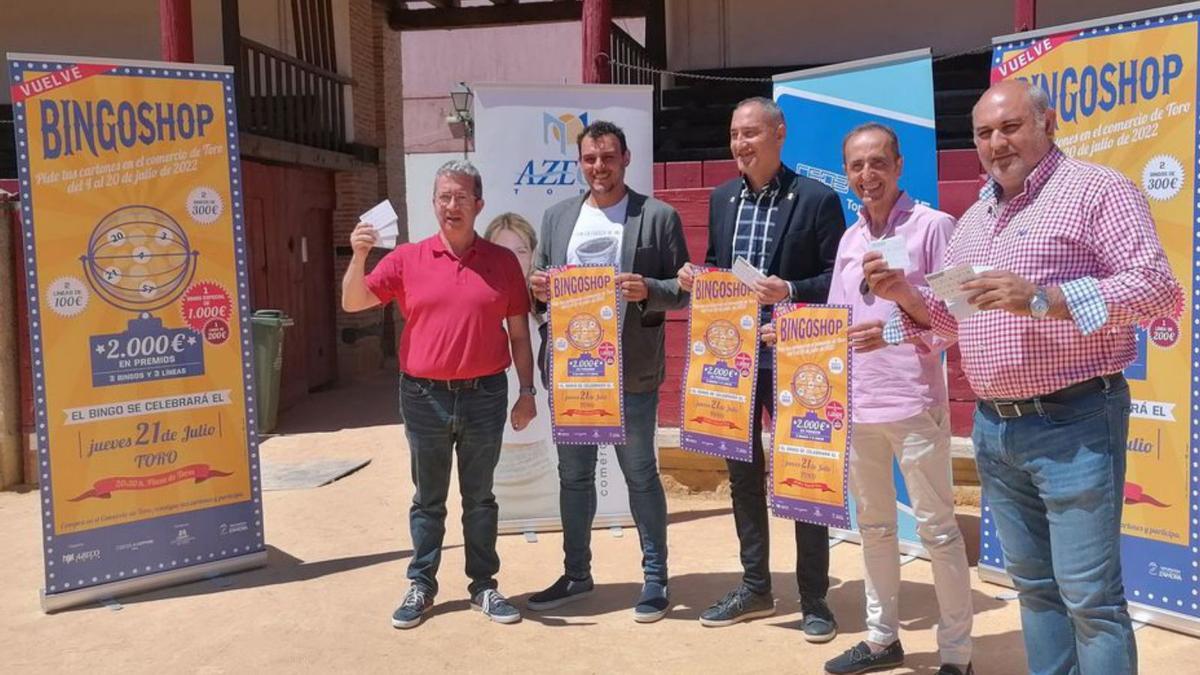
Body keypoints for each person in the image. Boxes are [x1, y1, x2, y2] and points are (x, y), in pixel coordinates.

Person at [861, 80, 1182, 675]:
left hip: (1075, 421)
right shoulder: (976, 219)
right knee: (1033, 589)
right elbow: (953, 320)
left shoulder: (1096, 190)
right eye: (984, 133)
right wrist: (903, 299)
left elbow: (1160, 291)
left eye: (1010, 127)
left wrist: (1045, 298)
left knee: (1091, 600)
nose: (996, 142)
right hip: (996, 430)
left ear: (1047, 123)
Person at [341, 160, 538, 629]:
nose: (452, 206)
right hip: (423, 396)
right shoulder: (407, 258)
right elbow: (353, 302)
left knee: (481, 498)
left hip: (485, 394)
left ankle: (484, 587)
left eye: (461, 197)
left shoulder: (502, 262)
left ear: (479, 205)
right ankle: (421, 586)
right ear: (434, 204)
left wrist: (527, 392)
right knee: (428, 499)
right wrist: (357, 255)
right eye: (444, 197)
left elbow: (519, 335)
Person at [677, 96, 844, 640]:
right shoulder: (723, 197)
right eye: (733, 135)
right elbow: (722, 268)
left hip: (795, 355)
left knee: (805, 472)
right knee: (742, 475)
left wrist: (790, 290)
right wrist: (697, 277)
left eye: (750, 133)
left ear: (779, 134)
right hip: (734, 357)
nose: (740, 145)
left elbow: (835, 280)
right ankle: (755, 587)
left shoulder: (817, 199)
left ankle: (815, 597)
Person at [817, 123, 972, 675]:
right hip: (859, 407)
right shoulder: (849, 239)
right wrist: (793, 335)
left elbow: (960, 320)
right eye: (857, 166)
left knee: (937, 531)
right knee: (876, 530)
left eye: (878, 163)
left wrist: (903, 292)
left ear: (899, 165)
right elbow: (840, 319)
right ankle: (883, 638)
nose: (868, 175)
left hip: (913, 404)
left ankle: (957, 655)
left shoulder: (936, 226)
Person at [526, 120, 690, 623]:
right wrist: (538, 292)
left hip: (632, 372)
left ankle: (656, 579)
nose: (600, 167)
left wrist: (650, 291)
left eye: (608, 157)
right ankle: (577, 574)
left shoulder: (658, 216)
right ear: (580, 163)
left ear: (626, 158)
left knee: (640, 474)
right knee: (573, 477)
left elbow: (682, 288)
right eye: (590, 159)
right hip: (575, 373)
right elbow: (538, 291)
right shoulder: (557, 218)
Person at [483, 214, 559, 524]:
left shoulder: (549, 313)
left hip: (542, 464)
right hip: (493, 466)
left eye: (521, 250)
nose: (512, 260)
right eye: (502, 250)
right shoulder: (481, 310)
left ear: (533, 254)